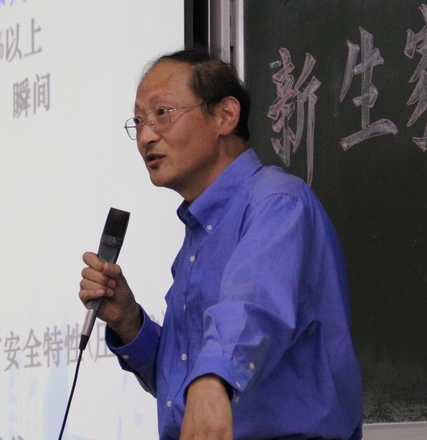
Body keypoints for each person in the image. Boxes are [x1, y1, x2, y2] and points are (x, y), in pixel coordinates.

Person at [79, 49, 363, 440]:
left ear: (225, 116)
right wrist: (129, 322)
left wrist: (212, 378)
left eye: (162, 113)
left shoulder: (276, 203)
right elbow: (187, 389)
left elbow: (253, 306)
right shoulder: (198, 237)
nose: (146, 136)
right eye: (139, 121)